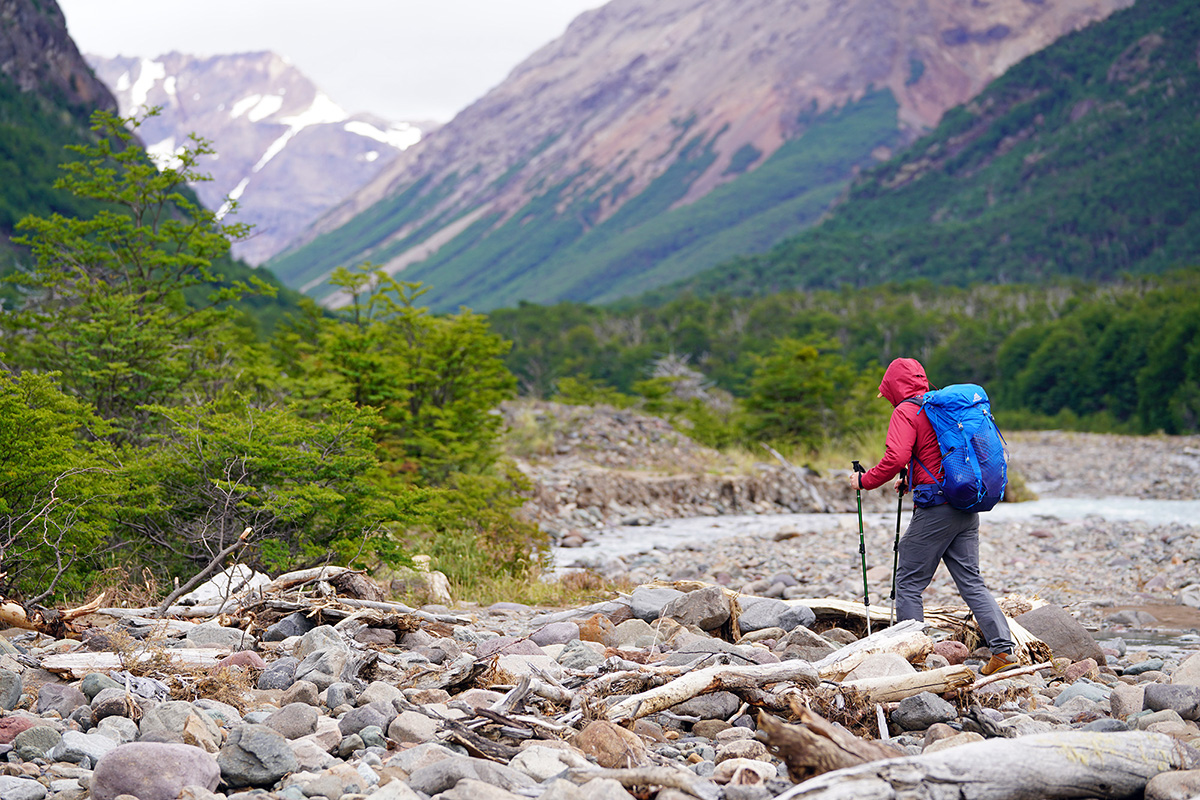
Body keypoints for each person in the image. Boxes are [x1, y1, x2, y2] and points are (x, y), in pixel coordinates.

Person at [849, 357, 1019, 676]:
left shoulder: (906, 411)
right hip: (965, 503)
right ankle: (1003, 651)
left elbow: (896, 456)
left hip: (937, 509)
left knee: (908, 582)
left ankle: (914, 656)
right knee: (971, 580)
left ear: (894, 387)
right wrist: (910, 480)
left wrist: (864, 480)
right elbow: (938, 455)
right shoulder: (937, 408)